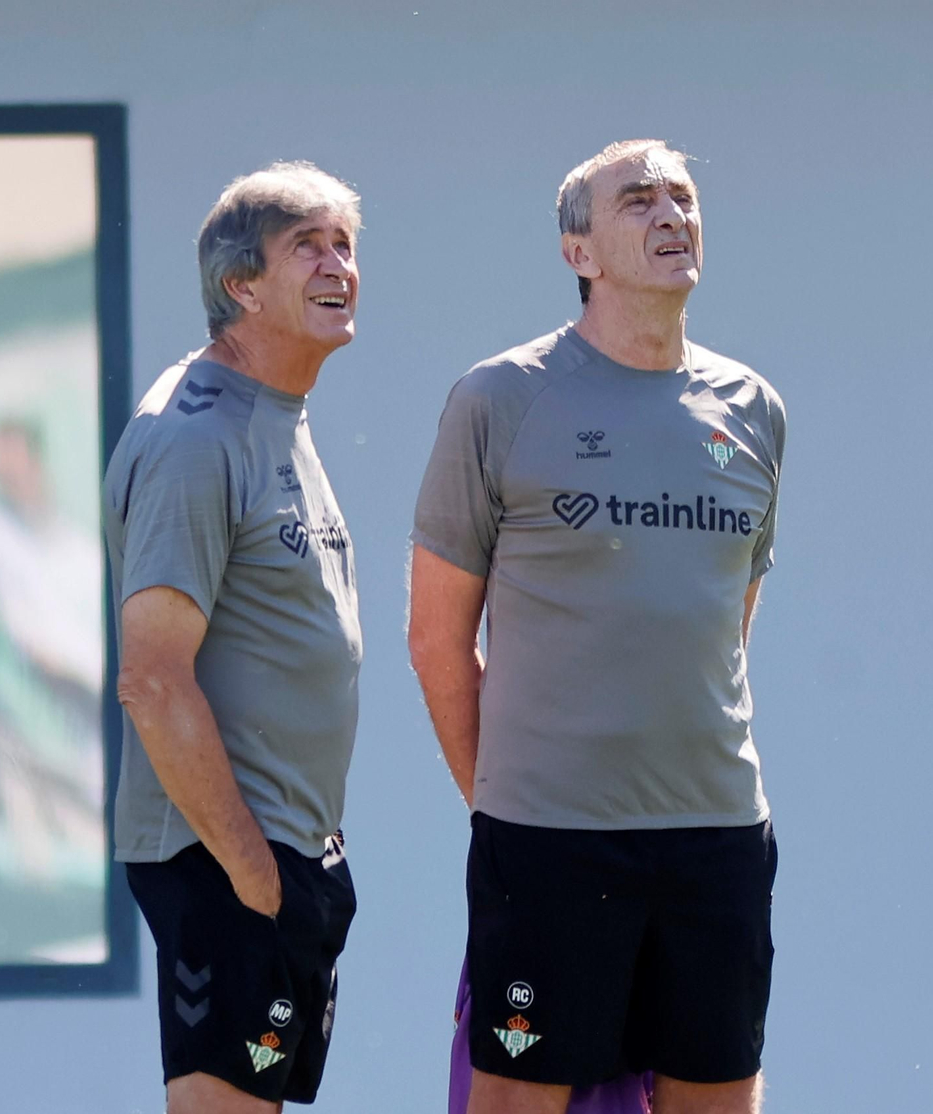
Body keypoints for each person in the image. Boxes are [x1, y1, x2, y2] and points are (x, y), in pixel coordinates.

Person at [408, 139, 787, 1114]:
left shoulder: (753, 411)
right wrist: (499, 800)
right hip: (549, 839)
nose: (671, 215)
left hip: (716, 837)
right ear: (580, 251)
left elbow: (719, 631)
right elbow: (436, 639)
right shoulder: (499, 398)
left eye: (683, 196)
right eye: (638, 200)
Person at [103, 162, 364, 1113]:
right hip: (224, 857)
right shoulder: (194, 435)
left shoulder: (274, 416)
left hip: (286, 855)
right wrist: (255, 875)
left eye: (346, 245)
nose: (340, 265)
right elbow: (154, 680)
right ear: (240, 285)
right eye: (309, 246)